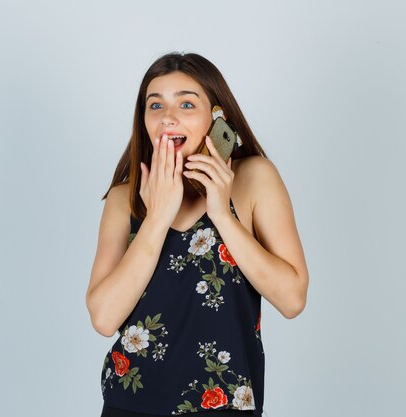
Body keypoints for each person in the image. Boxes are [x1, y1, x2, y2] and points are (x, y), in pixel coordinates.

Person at [85, 52, 309, 417]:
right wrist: (158, 216)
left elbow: (292, 299)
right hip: (130, 405)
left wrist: (222, 213)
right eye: (155, 105)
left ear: (216, 116)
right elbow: (104, 318)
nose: (167, 117)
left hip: (224, 406)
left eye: (186, 103)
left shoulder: (254, 178)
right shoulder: (123, 200)